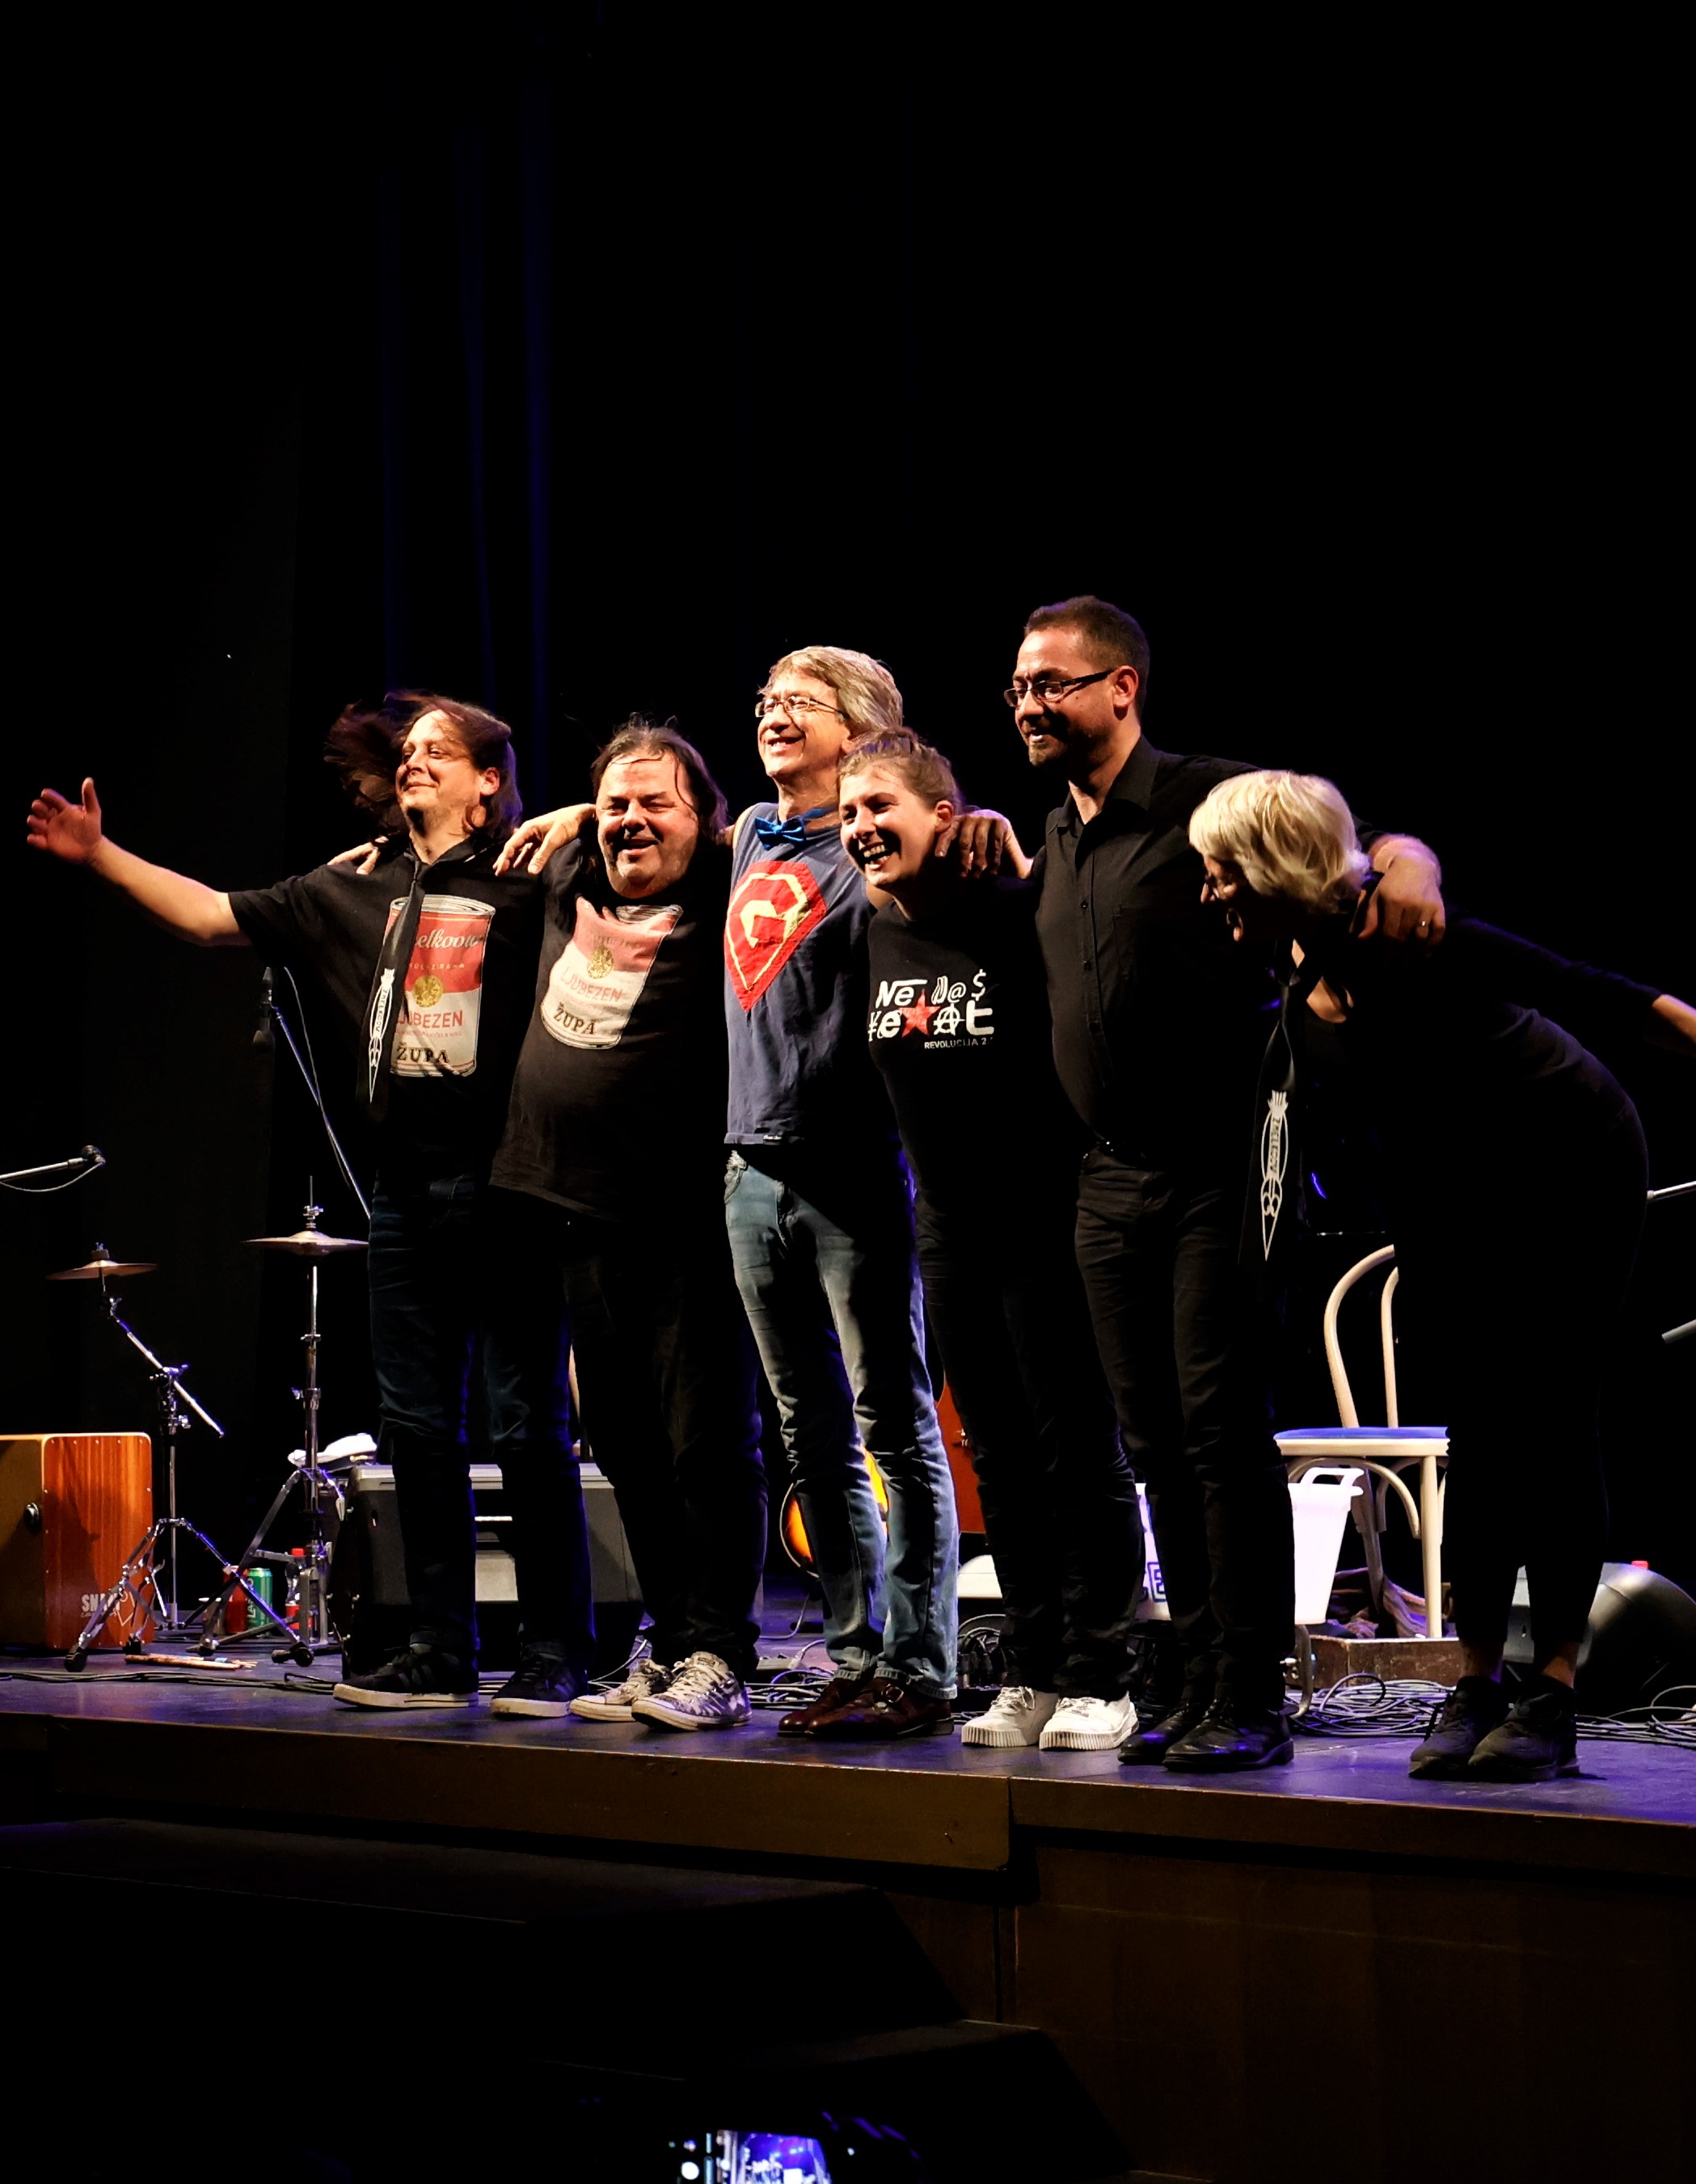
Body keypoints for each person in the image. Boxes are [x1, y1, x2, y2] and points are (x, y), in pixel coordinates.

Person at [1190, 768, 1696, 1777]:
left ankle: (1550, 1691)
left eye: (1218, 873)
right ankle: (1475, 1680)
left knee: (1546, 1419)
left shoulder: (1409, 934)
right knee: (1476, 1428)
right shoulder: (1296, 962)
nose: (1205, 892)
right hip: (1448, 1193)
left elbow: (1601, 995)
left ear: (1275, 872)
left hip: (1566, 1164)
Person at [24, 698, 593, 1712]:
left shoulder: (527, 870)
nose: (412, 764)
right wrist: (99, 853)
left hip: (506, 1184)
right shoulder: (348, 886)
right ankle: (440, 1647)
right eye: (406, 752)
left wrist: (584, 813)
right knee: (416, 1427)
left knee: (523, 1421)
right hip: (402, 1193)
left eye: (437, 754)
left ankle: (555, 1649)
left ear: (489, 782)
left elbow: (672, 839)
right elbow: (210, 917)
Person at [996, 594, 1444, 1775]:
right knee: (1148, 1440)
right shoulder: (1053, 835)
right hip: (1106, 1180)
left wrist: (1411, 860)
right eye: (1020, 688)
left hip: (1220, 1166)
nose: (1030, 703)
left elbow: (1364, 846)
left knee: (1216, 1432)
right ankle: (1192, 1675)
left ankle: (1249, 1684)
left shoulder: (1207, 793)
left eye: (1052, 682)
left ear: (1121, 687)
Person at [505, 651, 958, 1739]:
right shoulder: (753, 833)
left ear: (860, 731)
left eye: (797, 703)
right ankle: (851, 1655)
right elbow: (658, 824)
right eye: (764, 702)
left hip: (848, 1162)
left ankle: (917, 1660)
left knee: (887, 1423)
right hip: (746, 1166)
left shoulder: (881, 838)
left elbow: (952, 861)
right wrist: (587, 807)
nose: (771, 716)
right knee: (811, 1437)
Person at [838, 732, 1150, 1750]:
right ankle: (1035, 1667)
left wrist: (1007, 853)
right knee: (1002, 1465)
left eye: (881, 805)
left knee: (1074, 1452)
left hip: (1047, 1221)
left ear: (943, 815)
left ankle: (1105, 1673)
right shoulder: (874, 932)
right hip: (950, 1233)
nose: (860, 827)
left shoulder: (1015, 911)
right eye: (848, 814)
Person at [484, 723, 770, 1733]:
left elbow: (808, 833)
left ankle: (722, 1652)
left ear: (707, 819)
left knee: (706, 1444)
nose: (630, 820)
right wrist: (574, 815)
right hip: (572, 1211)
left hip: (683, 1218)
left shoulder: (734, 877)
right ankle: (673, 1633)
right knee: (629, 1448)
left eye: (656, 803)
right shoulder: (571, 870)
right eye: (614, 804)